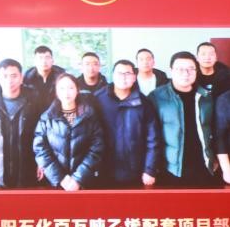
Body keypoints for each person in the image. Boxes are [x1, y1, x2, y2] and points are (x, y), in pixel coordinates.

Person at [149, 52, 218, 187]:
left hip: (204, 167)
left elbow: (215, 129)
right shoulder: (157, 97)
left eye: (191, 69)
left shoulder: (205, 96)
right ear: (171, 71)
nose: (186, 73)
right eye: (180, 69)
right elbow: (150, 136)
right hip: (171, 169)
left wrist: (214, 159)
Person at [0, 58, 42, 189]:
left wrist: (41, 163)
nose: (9, 80)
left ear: (21, 78)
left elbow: (42, 135)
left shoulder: (34, 100)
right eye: (5, 76)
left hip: (27, 169)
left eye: (14, 76)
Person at [93, 59, 161, 188]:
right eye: (119, 73)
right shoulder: (98, 99)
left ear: (134, 77)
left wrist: (149, 169)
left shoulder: (144, 103)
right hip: (103, 169)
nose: (124, 77)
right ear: (112, 76)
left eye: (128, 73)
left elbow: (153, 139)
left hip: (135, 170)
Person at [32, 73, 104, 191]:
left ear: (77, 90)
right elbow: (40, 149)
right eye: (62, 88)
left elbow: (97, 148)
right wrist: (60, 178)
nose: (66, 92)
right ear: (56, 92)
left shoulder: (89, 115)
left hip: (85, 182)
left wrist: (78, 178)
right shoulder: (47, 118)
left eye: (71, 88)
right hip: (56, 183)